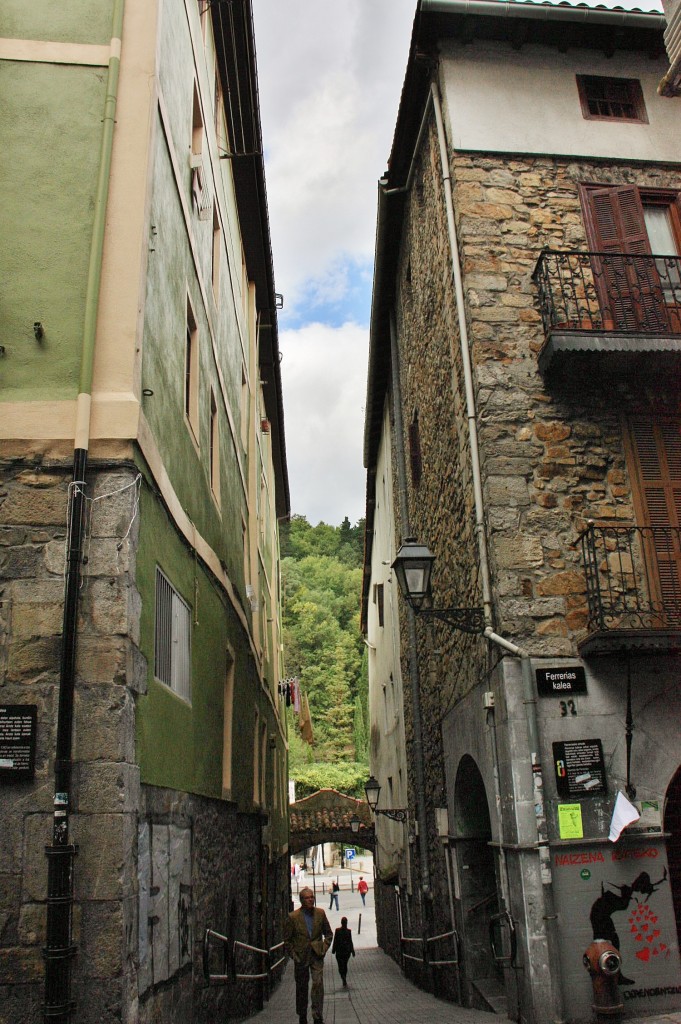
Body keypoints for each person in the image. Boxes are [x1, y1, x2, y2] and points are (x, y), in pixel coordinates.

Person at [283, 887, 333, 1024]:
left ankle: (317, 1015)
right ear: (301, 900)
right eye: (307, 897)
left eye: (312, 897)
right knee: (302, 987)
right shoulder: (293, 917)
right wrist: (294, 955)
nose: (311, 899)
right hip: (301, 956)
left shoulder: (320, 913)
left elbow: (328, 934)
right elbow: (287, 940)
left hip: (316, 955)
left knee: (318, 983)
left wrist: (323, 947)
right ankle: (302, 1015)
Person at [331, 916, 355, 987]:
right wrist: (352, 951)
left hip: (339, 952)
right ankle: (344, 976)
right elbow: (350, 942)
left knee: (340, 965)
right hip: (346, 952)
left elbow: (335, 941)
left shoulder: (337, 931)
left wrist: (333, 950)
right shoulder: (348, 931)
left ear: (341, 923)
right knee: (344, 965)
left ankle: (343, 976)